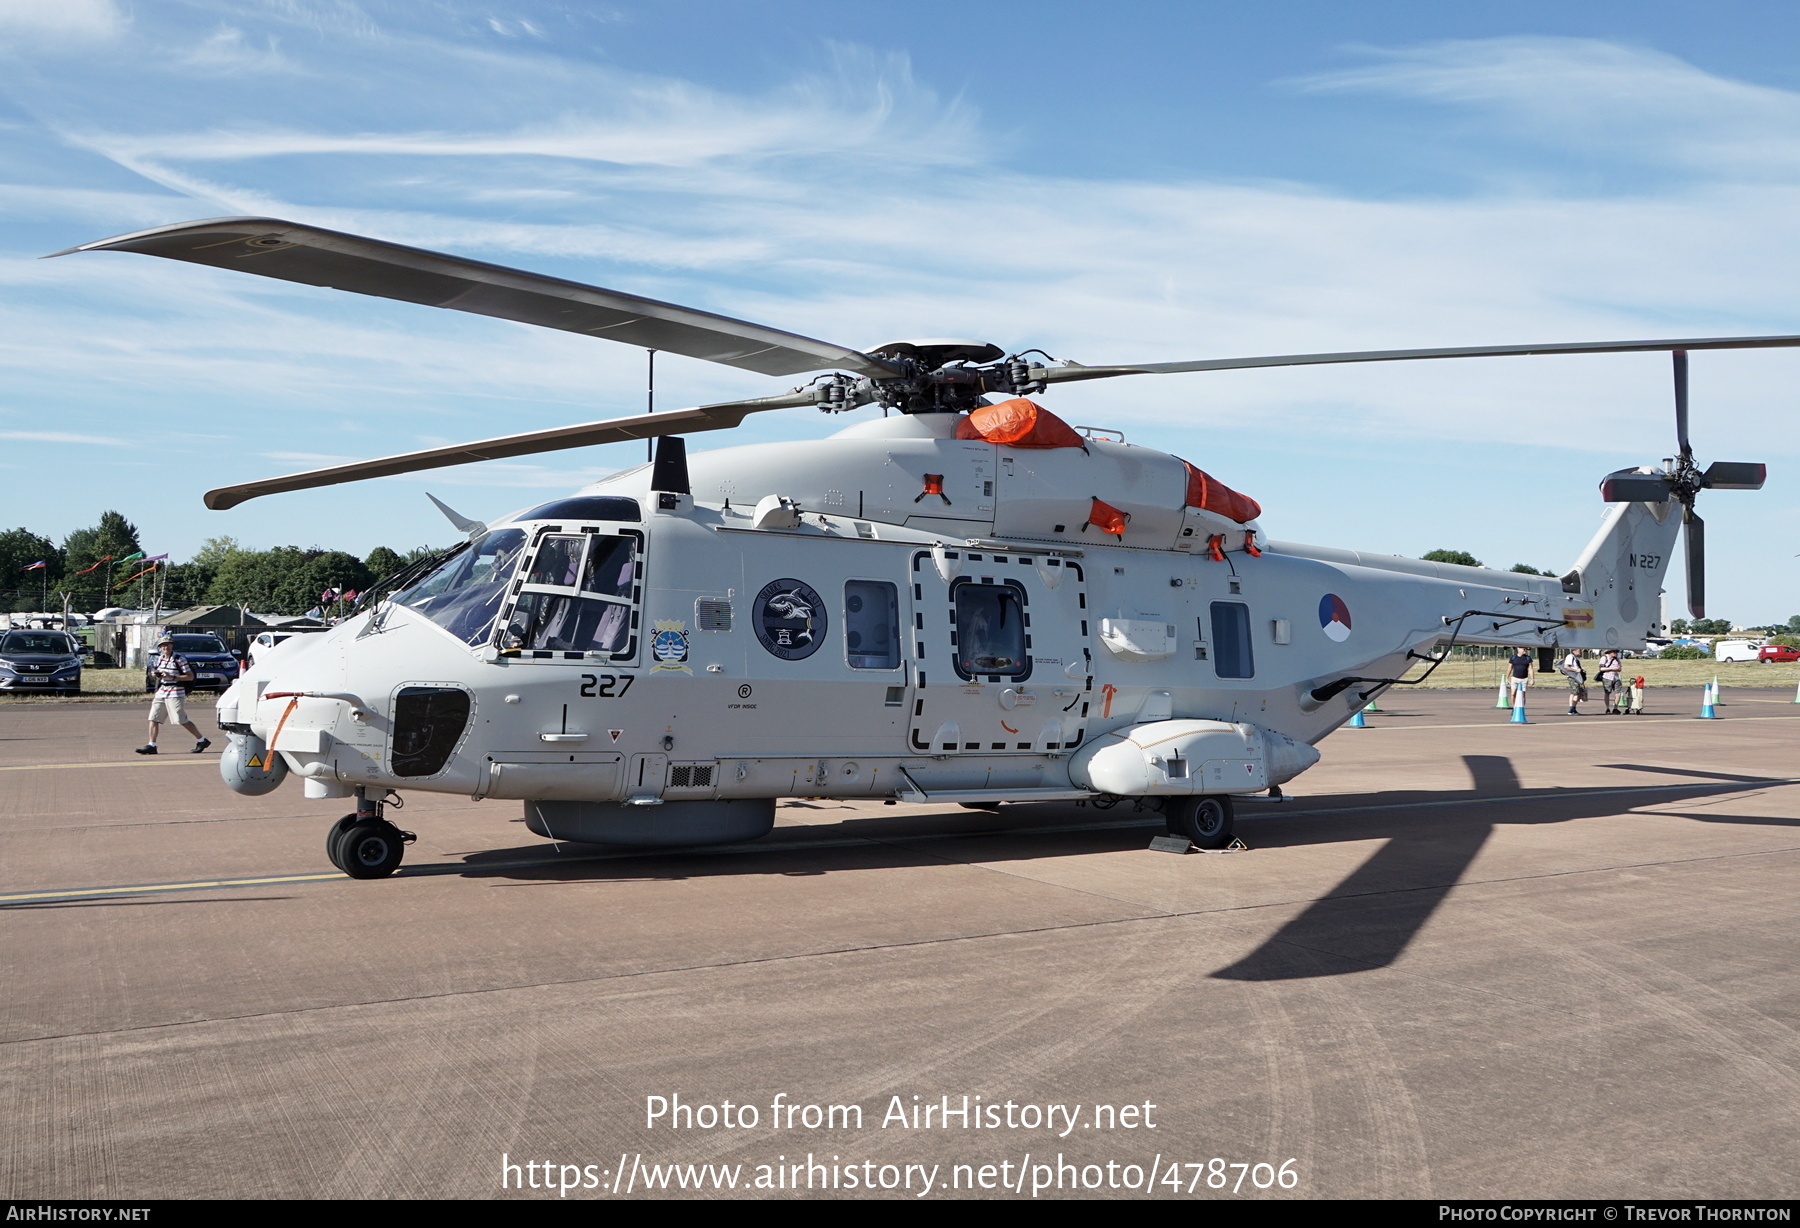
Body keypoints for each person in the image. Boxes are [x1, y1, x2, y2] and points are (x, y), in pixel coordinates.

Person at [137, 635, 211, 755]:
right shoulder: (159, 658)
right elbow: (155, 671)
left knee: (180, 719)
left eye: (168, 644)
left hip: (176, 690)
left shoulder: (179, 659)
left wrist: (172, 677)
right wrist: (155, 674)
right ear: (160, 647)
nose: (165, 647)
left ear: (172, 645)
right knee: (153, 718)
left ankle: (202, 740)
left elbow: (190, 676)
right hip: (162, 691)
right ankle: (152, 745)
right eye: (163, 645)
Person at [1558, 647, 1588, 715]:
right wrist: (1576, 670)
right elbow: (1566, 666)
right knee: (1576, 692)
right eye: (1579, 650)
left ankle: (1573, 708)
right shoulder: (1570, 656)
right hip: (1573, 676)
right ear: (1574, 650)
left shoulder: (1576, 657)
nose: (1580, 651)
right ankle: (1571, 709)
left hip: (1577, 676)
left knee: (1575, 692)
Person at [1597, 648, 1624, 714]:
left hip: (1616, 677)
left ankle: (1615, 708)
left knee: (1618, 692)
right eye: (1613, 652)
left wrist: (1618, 669)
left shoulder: (1617, 659)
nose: (1615, 653)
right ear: (1609, 652)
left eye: (1616, 652)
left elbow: (1620, 668)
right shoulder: (1604, 658)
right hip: (1607, 677)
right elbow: (1601, 668)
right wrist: (1612, 668)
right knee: (1607, 693)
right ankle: (1607, 708)